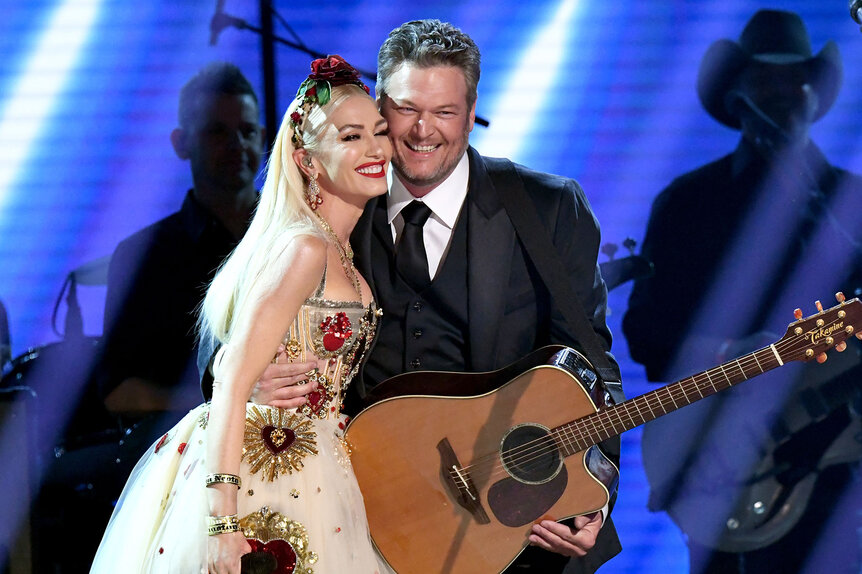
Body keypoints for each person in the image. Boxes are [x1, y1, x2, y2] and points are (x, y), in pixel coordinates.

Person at [218, 19, 624, 573]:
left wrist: (592, 493)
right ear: (378, 106)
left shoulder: (547, 208)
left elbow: (592, 366)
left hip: (497, 525)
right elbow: (228, 329)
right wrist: (249, 375)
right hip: (351, 513)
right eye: (406, 109)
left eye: (445, 112)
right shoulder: (332, 195)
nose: (421, 131)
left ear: (472, 112)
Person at [91, 55, 393, 573]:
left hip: (321, 463)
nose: (376, 149)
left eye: (379, 132)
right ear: (307, 161)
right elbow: (231, 377)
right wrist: (223, 524)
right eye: (351, 137)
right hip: (267, 465)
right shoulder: (305, 249)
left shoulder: (337, 247)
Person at [623, 10, 862, 573]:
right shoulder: (688, 202)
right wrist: (731, 353)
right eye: (765, 78)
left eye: (795, 78)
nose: (782, 92)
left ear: (814, 93)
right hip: (723, 461)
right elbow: (646, 334)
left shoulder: (849, 201)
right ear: (737, 96)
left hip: (839, 462)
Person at [100, 62, 266, 423]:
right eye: (217, 131)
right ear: (181, 143)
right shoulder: (143, 256)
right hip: (187, 445)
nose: (237, 144)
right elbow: (119, 392)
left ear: (264, 138)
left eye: (248, 131)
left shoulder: (296, 236)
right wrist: (228, 398)